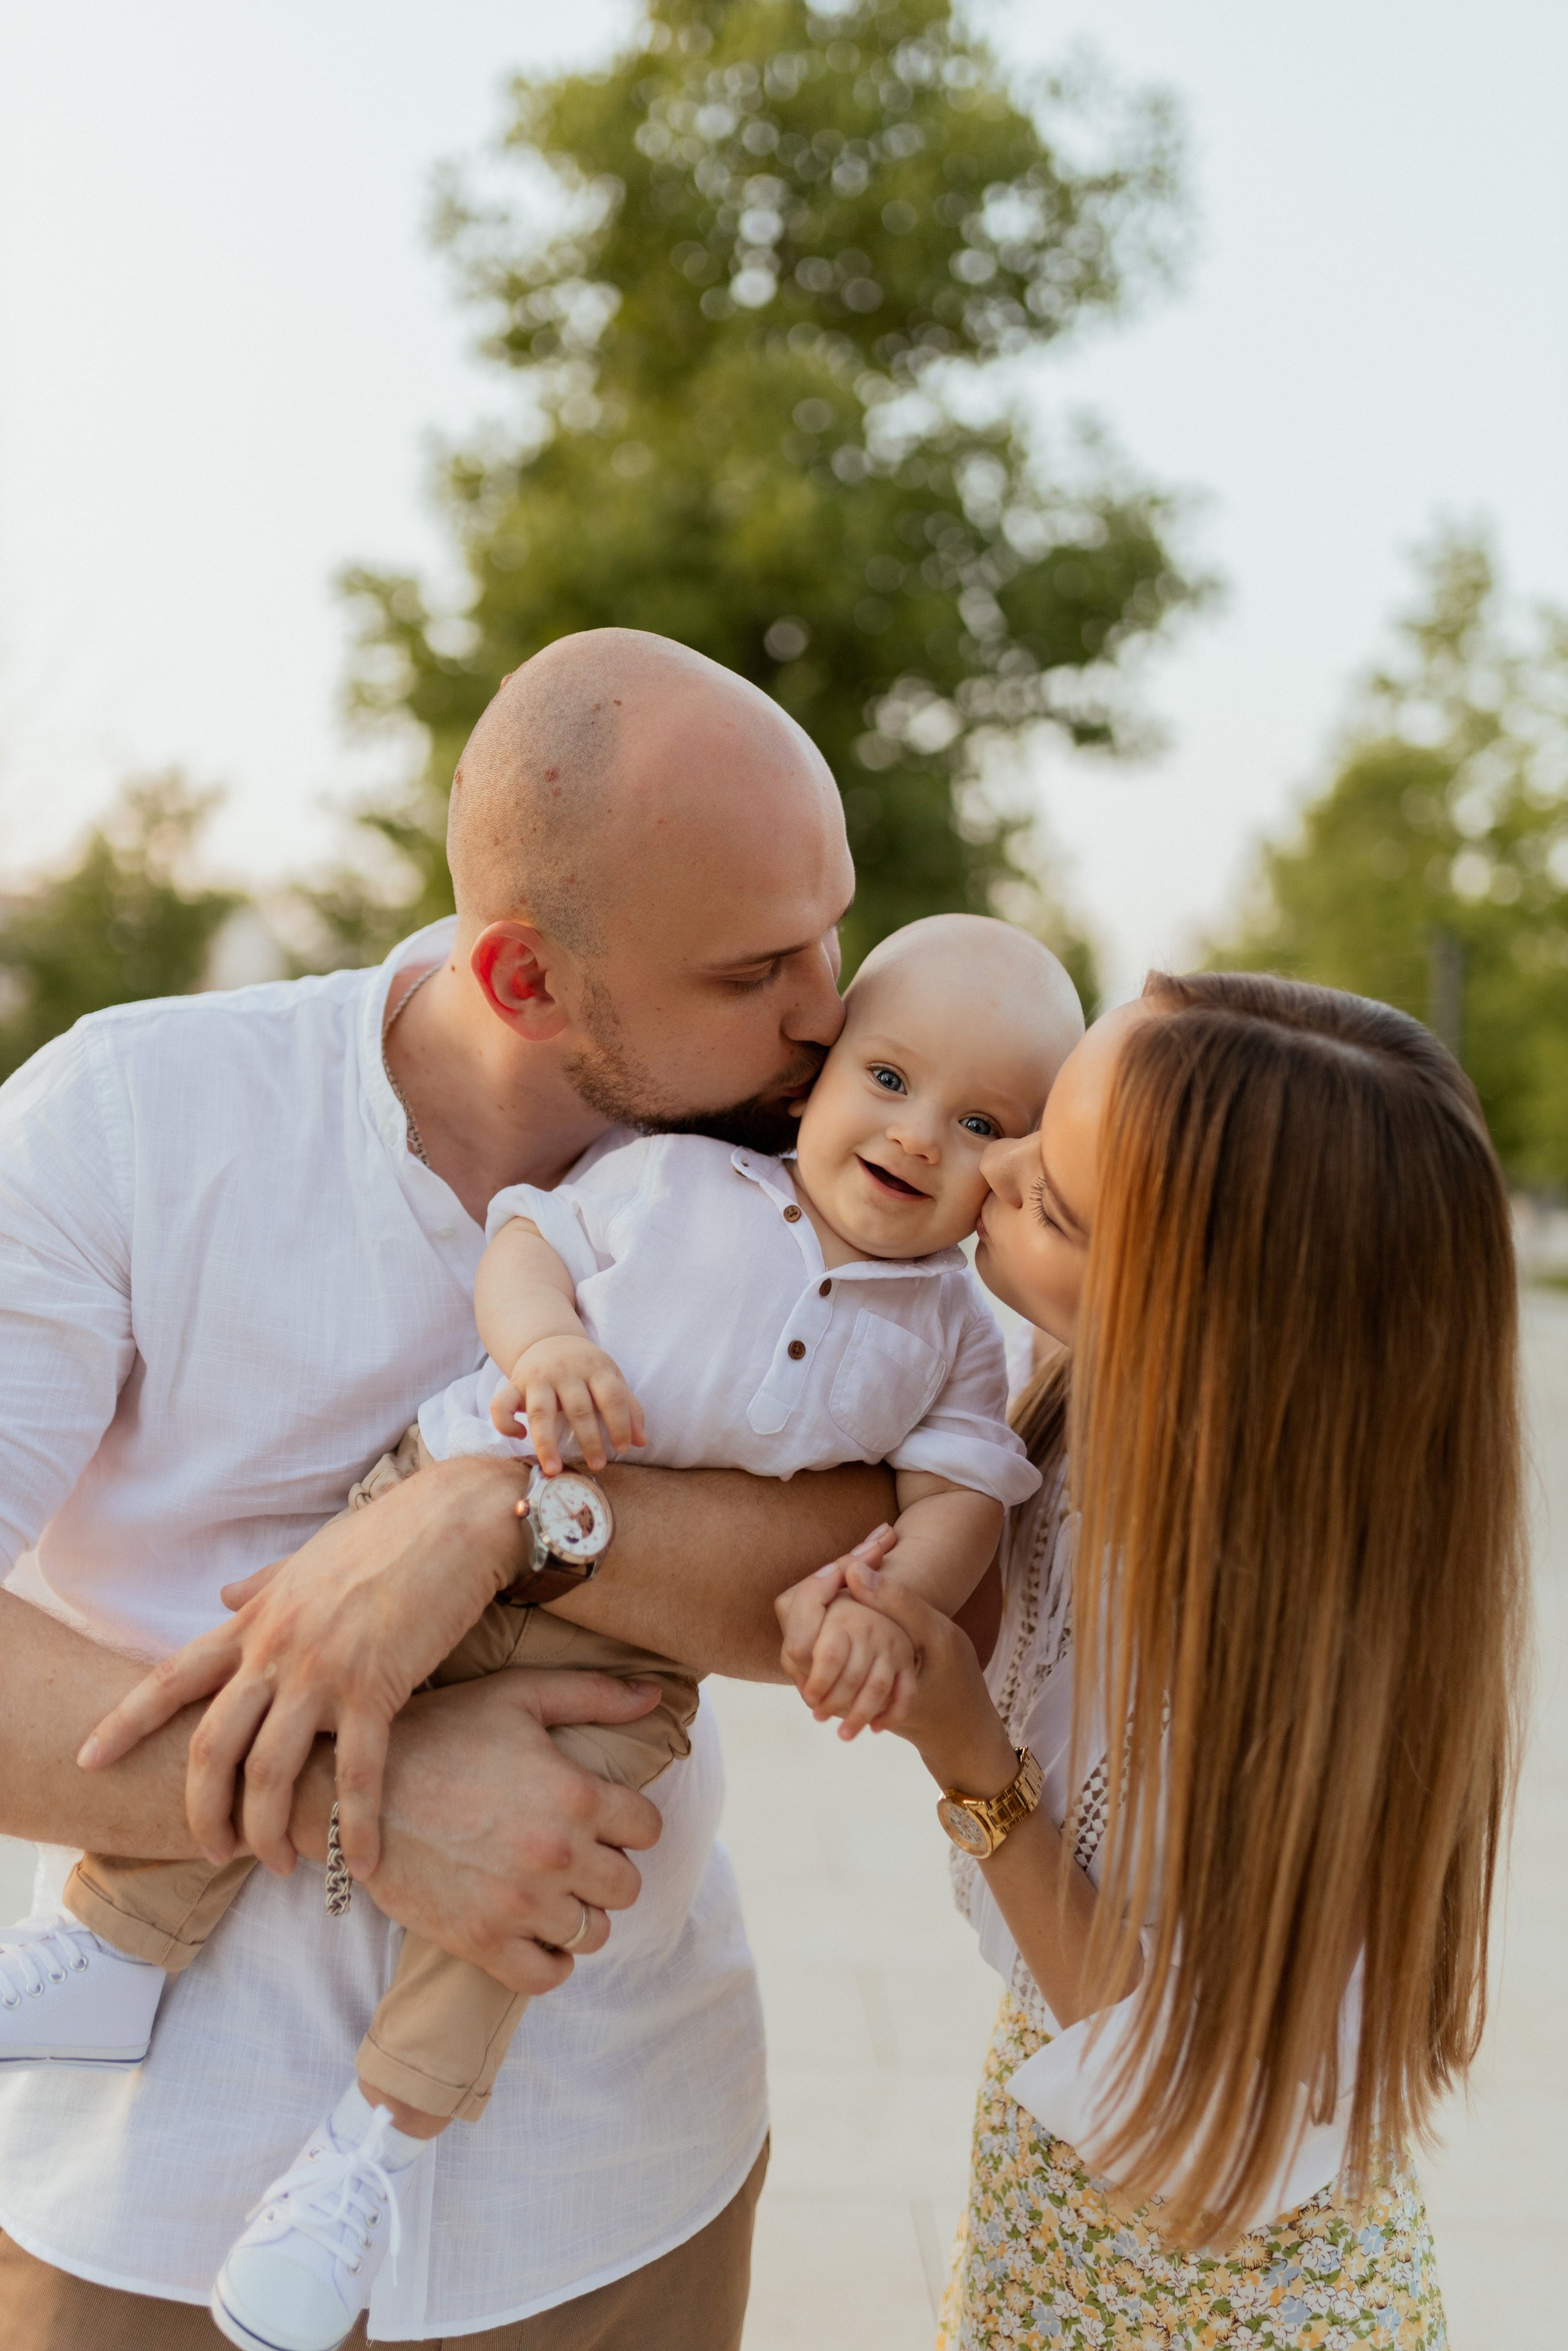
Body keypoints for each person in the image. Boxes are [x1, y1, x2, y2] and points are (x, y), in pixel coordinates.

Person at [0, 629, 903, 2350]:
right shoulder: (128, 1121)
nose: (827, 1008)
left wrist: (499, 1509)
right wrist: (373, 1790)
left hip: (620, 2184)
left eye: (833, 925)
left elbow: (899, 1551)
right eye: (757, 965)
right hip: (150, 2201)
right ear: (524, 980)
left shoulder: (825, 1158)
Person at [49, 913, 1080, 2351]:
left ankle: (366, 2157)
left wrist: (891, 1590)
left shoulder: (952, 1334)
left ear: (1015, 1171)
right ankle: (115, 1938)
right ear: (819, 1077)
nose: (917, 1135)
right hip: (408, 1514)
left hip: (621, 1666)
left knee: (534, 1881)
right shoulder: (676, 1177)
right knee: (282, 1676)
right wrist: (546, 1349)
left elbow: (962, 1495)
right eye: (890, 1078)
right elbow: (527, 1242)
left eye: (980, 1121)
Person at [785, 972, 1525, 2348]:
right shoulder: (1080, 1407)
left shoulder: (1279, 1639)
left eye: (1051, 1201)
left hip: (1229, 2285)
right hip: (1054, 2199)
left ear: (1200, 1327)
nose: (987, 1166)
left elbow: (1185, 2092)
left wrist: (970, 1758)